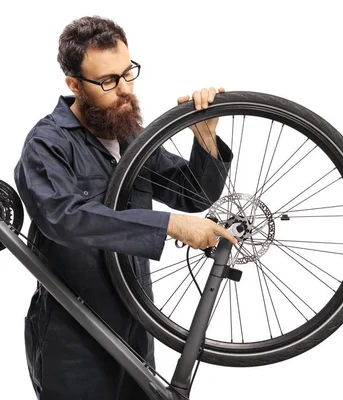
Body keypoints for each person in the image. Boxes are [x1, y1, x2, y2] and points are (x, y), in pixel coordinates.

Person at [14, 16, 236, 400]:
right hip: (73, 335)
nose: (124, 90)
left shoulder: (129, 135)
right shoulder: (46, 144)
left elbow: (192, 195)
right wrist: (167, 225)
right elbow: (64, 218)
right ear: (73, 85)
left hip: (137, 322)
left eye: (128, 73)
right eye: (107, 81)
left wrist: (206, 139)